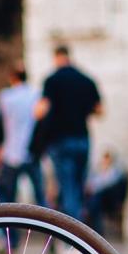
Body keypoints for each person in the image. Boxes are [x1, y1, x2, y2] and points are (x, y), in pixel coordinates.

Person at [35, 45, 102, 220]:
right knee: (79, 185)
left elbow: (40, 110)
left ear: (56, 57)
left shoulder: (52, 80)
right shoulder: (86, 79)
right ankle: (83, 230)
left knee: (67, 187)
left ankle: (73, 234)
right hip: (82, 138)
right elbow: (100, 110)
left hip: (60, 140)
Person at [0, 67, 46, 206]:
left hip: (11, 151)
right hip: (31, 150)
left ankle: (9, 226)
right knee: (40, 195)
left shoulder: (5, 97)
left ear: (12, 78)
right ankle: (47, 225)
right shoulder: (36, 94)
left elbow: (0, 122)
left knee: (8, 196)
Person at [84, 150, 128, 236]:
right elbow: (92, 183)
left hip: (109, 199)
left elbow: (110, 185)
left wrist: (95, 188)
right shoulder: (98, 172)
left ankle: (96, 231)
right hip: (97, 197)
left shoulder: (115, 172)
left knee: (96, 199)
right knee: (93, 200)